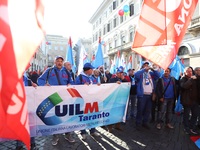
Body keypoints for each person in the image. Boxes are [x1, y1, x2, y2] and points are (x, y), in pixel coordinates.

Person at [37, 56, 75, 145]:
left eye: (61, 61)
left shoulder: (66, 71)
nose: (59, 63)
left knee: (66, 115)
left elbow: (72, 82)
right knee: (56, 116)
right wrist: (44, 85)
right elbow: (40, 80)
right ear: (55, 62)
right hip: (55, 96)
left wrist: (70, 83)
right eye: (58, 61)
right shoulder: (49, 70)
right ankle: (55, 135)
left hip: (65, 96)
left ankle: (67, 134)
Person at [75, 63, 100, 140]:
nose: (93, 70)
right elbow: (75, 87)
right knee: (83, 117)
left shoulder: (92, 77)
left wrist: (98, 85)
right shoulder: (80, 77)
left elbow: (94, 86)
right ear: (88, 70)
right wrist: (82, 86)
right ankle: (83, 132)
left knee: (92, 115)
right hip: (83, 101)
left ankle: (93, 130)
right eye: (91, 69)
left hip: (91, 100)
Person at [135, 61, 160, 130]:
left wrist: (153, 69)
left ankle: (145, 122)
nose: (146, 66)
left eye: (147, 65)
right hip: (142, 95)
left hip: (150, 95)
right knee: (140, 110)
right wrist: (143, 70)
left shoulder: (150, 74)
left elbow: (158, 76)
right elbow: (136, 75)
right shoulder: (140, 73)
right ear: (142, 66)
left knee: (148, 110)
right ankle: (138, 123)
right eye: (145, 65)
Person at [16, 75, 37, 150]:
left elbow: (35, 88)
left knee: (31, 125)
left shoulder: (28, 80)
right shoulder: (12, 79)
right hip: (18, 108)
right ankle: (19, 144)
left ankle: (32, 144)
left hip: (29, 107)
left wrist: (35, 86)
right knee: (19, 126)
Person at [108, 66, 128, 132]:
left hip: (121, 98)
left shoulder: (124, 79)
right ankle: (110, 127)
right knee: (112, 112)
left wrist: (123, 79)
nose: (121, 74)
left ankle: (117, 125)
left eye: (122, 73)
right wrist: (115, 84)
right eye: (120, 73)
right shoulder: (112, 79)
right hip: (114, 99)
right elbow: (109, 86)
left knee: (119, 112)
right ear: (117, 73)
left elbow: (127, 85)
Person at [180, 67, 199, 135]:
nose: (190, 73)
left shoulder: (194, 78)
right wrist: (191, 79)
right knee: (186, 115)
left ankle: (192, 127)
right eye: (188, 72)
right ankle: (186, 128)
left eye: (191, 71)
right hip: (187, 101)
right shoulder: (183, 79)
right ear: (185, 72)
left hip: (195, 100)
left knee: (195, 114)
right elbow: (184, 86)